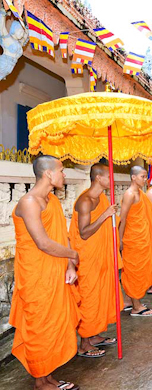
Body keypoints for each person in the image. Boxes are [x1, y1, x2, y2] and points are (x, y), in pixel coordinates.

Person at [10, 156, 80, 390]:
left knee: (53, 325)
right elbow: (43, 243)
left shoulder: (52, 200)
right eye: (61, 170)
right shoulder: (29, 202)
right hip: (36, 276)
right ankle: (40, 382)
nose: (64, 175)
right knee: (40, 326)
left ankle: (48, 377)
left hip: (55, 272)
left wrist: (70, 264)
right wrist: (73, 254)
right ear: (48, 174)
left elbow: (62, 236)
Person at [69, 163, 120, 359]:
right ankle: (84, 344)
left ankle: (94, 335)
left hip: (101, 256)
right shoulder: (85, 201)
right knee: (89, 298)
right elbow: (84, 233)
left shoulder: (102, 198)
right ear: (98, 178)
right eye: (109, 176)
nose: (112, 180)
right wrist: (105, 215)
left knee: (100, 295)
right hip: (88, 258)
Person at [119, 166, 152, 317]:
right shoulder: (130, 194)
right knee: (135, 272)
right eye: (142, 176)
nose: (145, 179)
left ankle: (130, 301)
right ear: (133, 177)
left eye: (146, 176)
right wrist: (119, 239)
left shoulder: (140, 193)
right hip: (133, 239)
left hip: (141, 238)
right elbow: (122, 218)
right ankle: (137, 307)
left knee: (139, 271)